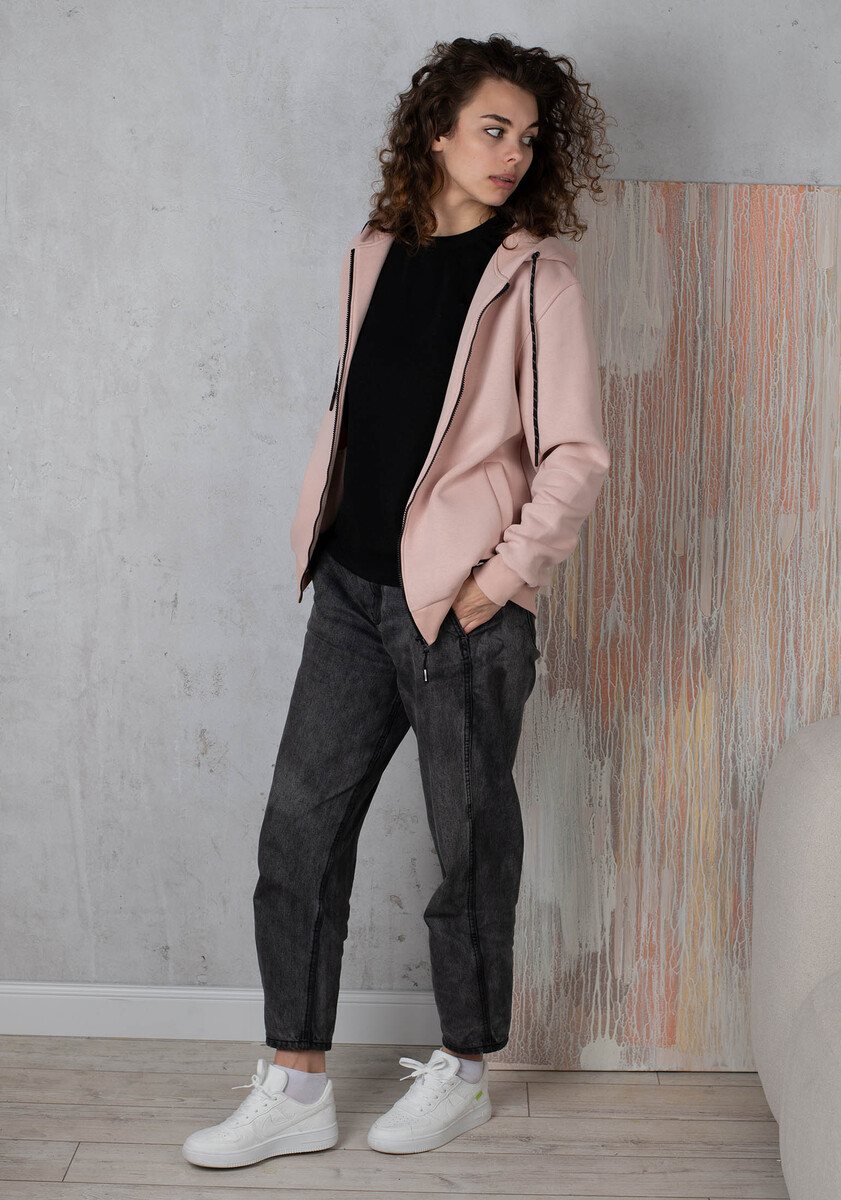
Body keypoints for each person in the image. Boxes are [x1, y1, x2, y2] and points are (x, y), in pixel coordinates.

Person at [183, 32, 612, 1169]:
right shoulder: (371, 255)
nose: (512, 153)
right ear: (436, 132)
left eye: (528, 137)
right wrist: (322, 540)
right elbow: (354, 414)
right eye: (492, 128)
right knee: (297, 835)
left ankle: (463, 1072)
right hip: (349, 591)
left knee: (468, 849)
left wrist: (497, 582)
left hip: (459, 614)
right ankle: (295, 1085)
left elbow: (574, 455)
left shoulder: (537, 281)